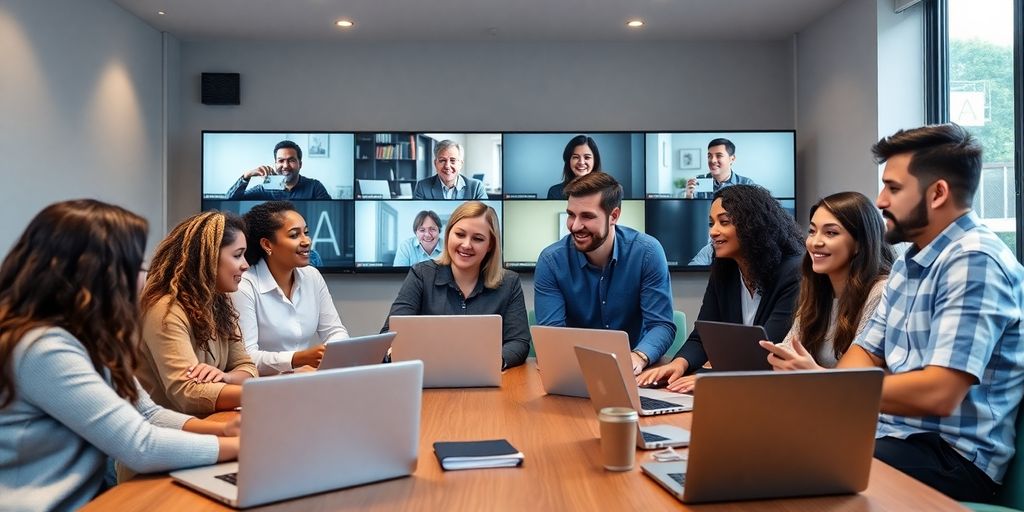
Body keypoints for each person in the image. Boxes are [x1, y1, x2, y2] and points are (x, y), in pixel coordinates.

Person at [0, 200, 239, 511]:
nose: (146, 277)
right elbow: (140, 445)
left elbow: (147, 414)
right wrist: (241, 447)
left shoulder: (88, 336)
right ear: (100, 273)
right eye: (139, 266)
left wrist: (221, 429)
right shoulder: (42, 347)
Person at [833, 124, 1023, 502]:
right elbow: (866, 353)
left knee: (803, 465)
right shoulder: (909, 262)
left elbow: (939, 392)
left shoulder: (974, 260)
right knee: (774, 443)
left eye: (894, 188)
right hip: (893, 436)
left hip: (953, 457)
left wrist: (832, 391)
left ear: (938, 193)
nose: (880, 199)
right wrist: (836, 392)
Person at [638, 184, 804, 391]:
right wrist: (678, 365)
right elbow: (702, 336)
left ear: (753, 225)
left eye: (724, 222)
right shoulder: (725, 270)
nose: (713, 232)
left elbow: (769, 348)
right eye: (711, 223)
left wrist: (715, 378)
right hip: (738, 388)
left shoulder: (794, 272)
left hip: (776, 389)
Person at [535, 172, 675, 374]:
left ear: (614, 216)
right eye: (571, 215)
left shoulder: (647, 252)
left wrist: (639, 356)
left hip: (633, 370)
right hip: (574, 371)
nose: (574, 226)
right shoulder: (551, 261)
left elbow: (661, 324)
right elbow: (553, 335)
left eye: (587, 216)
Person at [382, 201, 530, 369]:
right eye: (460, 234)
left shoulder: (509, 282)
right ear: (448, 234)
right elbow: (390, 334)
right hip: (429, 377)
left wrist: (493, 361)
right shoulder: (421, 275)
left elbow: (519, 342)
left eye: (478, 238)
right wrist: (393, 353)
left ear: (490, 245)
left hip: (486, 380)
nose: (466, 245)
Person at [136, 211, 258, 415]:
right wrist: (267, 394)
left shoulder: (219, 302)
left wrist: (226, 377)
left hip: (208, 423)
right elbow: (189, 394)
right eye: (237, 255)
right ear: (207, 258)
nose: (245, 265)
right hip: (169, 433)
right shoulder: (164, 310)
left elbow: (247, 367)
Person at [759, 191, 894, 369]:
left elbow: (860, 380)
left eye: (830, 233)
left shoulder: (881, 291)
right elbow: (790, 349)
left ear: (860, 243)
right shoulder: (816, 292)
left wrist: (814, 374)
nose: (815, 242)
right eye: (812, 231)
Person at [232, 201, 350, 375]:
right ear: (267, 245)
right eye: (294, 235)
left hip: (306, 378)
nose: (306, 241)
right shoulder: (244, 285)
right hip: (262, 387)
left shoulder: (312, 276)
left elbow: (335, 331)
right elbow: (247, 358)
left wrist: (334, 354)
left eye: (306, 233)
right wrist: (297, 359)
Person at [225, 140, 331, 200]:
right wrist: (246, 176)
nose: (285, 166)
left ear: (300, 164)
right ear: (275, 164)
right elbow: (229, 200)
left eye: (291, 160)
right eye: (281, 161)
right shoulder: (265, 188)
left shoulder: (315, 187)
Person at [413, 140, 487, 200]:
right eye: (442, 160)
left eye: (453, 160)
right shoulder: (422, 187)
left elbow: (484, 215)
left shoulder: (476, 188)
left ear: (460, 164)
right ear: (435, 163)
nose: (447, 166)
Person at [683, 138, 755, 199]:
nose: (712, 160)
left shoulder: (747, 184)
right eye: (709, 156)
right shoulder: (698, 183)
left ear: (732, 159)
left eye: (719, 155)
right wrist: (689, 196)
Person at [546, 134, 602, 199]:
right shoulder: (555, 192)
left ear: (595, 161)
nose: (581, 162)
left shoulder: (606, 191)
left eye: (587, 157)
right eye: (576, 157)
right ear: (569, 160)